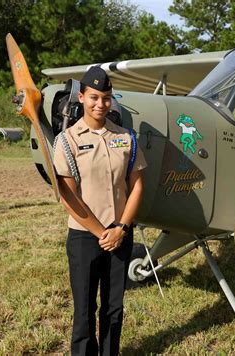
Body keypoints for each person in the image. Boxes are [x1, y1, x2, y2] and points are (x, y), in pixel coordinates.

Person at [53, 66, 147, 355]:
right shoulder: (67, 140)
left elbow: (138, 186)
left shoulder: (126, 137)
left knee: (113, 309)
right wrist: (102, 233)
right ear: (81, 97)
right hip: (84, 238)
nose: (100, 104)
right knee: (84, 312)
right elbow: (68, 197)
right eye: (94, 97)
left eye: (106, 97)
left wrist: (121, 229)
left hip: (120, 235)